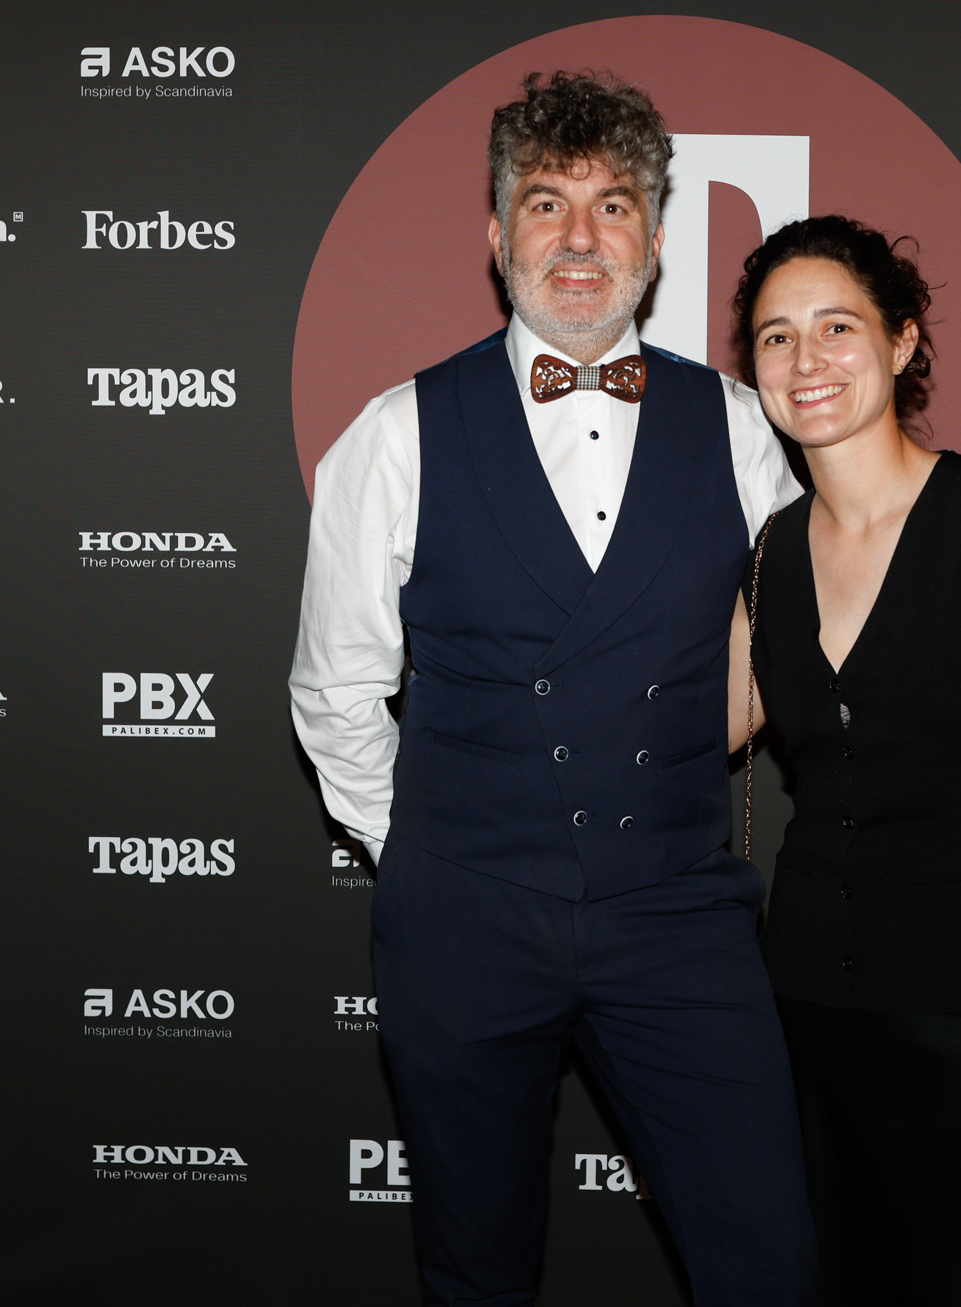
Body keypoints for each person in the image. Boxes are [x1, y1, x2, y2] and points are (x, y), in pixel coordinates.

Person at [289, 71, 820, 1306]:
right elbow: (335, 689)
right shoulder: (397, 431)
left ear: (656, 239)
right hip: (464, 926)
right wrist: (433, 857)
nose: (580, 238)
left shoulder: (742, 425)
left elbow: (824, 631)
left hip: (676, 914)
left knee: (769, 1260)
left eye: (612, 206)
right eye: (546, 204)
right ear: (496, 234)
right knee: (476, 1269)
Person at [727, 216, 961, 1306]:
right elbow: (693, 729)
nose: (806, 360)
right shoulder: (770, 553)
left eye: (837, 327)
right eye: (776, 337)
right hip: (807, 1003)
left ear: (901, 342)